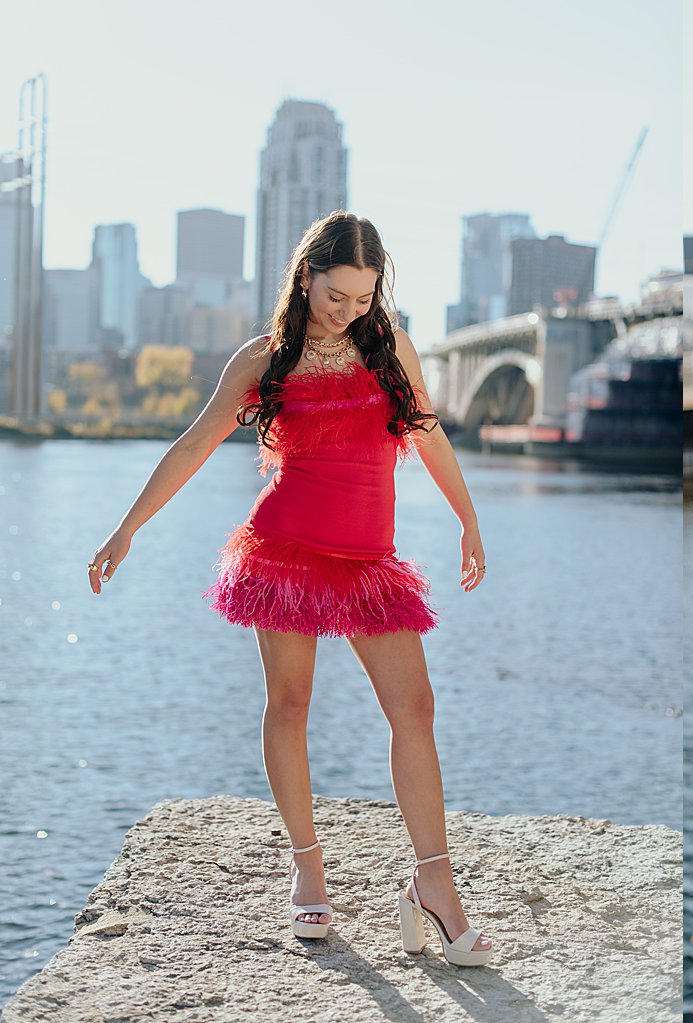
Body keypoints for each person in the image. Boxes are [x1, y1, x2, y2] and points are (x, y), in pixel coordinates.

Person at [87, 211, 495, 967]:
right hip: (285, 554)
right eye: (336, 294)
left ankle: (433, 884)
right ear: (306, 275)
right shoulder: (265, 358)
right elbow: (194, 443)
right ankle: (308, 866)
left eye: (364, 297)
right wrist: (127, 528)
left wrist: (468, 517)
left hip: (371, 561)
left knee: (416, 708)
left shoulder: (389, 348)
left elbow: (430, 431)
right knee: (290, 703)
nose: (349, 310)